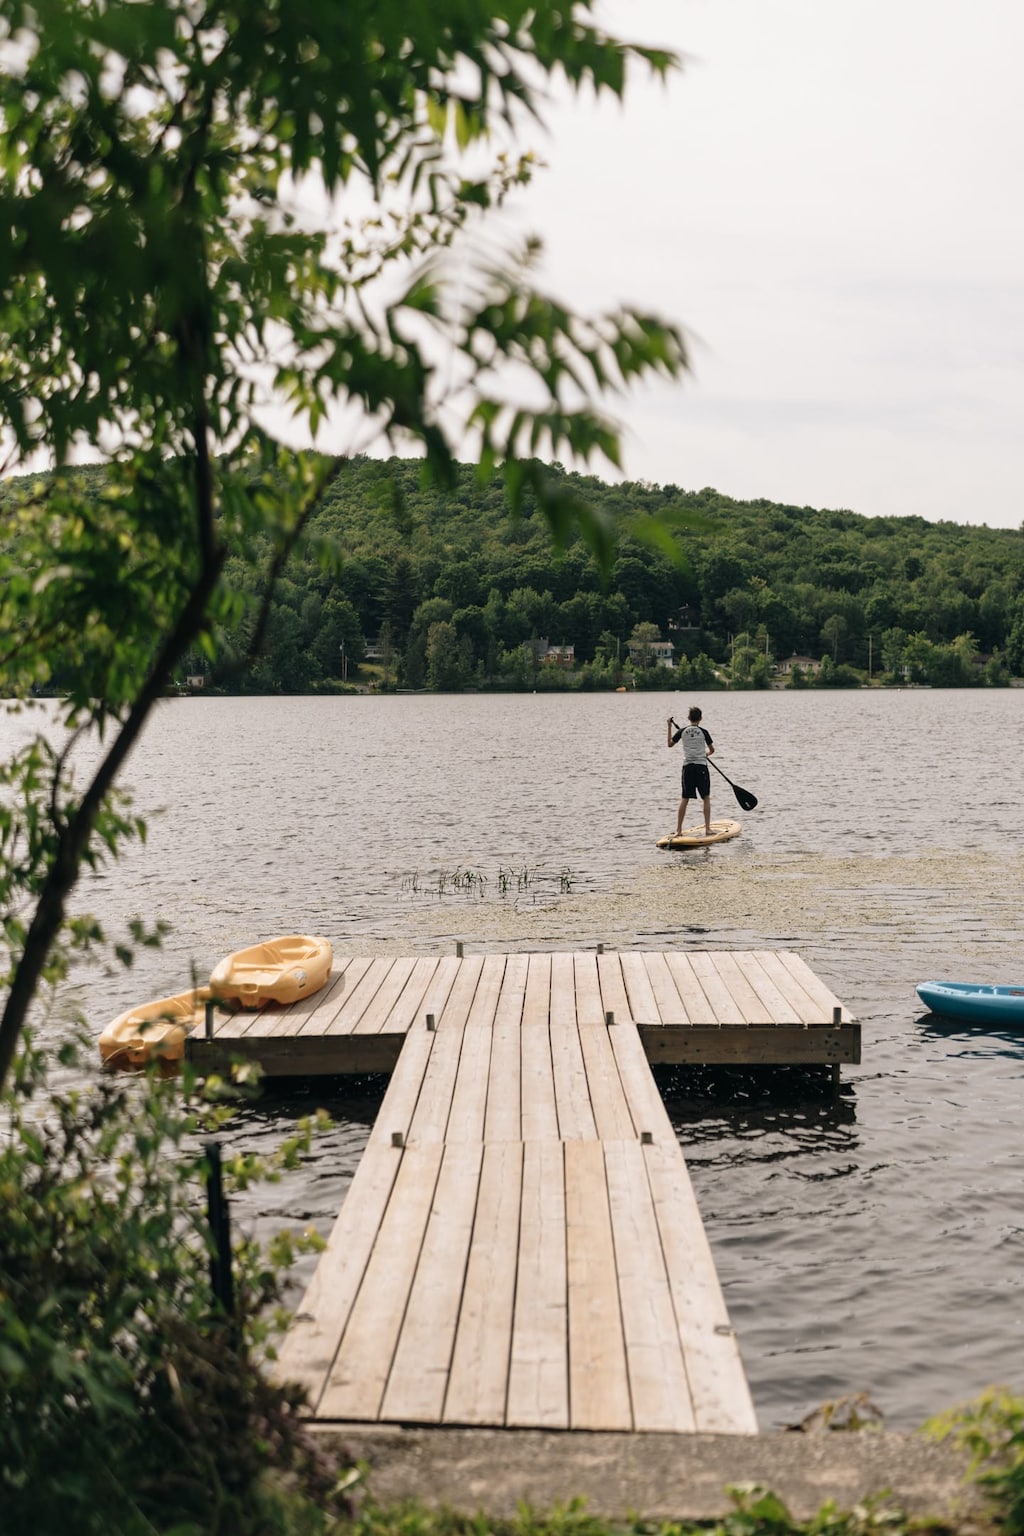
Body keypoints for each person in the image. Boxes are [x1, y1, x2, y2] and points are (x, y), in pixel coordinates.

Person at [667, 706, 715, 837]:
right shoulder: (704, 732)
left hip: (688, 768)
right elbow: (712, 750)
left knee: (685, 798)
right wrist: (705, 754)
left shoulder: (682, 731)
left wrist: (669, 727)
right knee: (705, 797)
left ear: (689, 718)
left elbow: (670, 744)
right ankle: (708, 829)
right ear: (700, 718)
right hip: (701, 768)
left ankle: (678, 830)